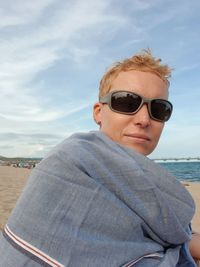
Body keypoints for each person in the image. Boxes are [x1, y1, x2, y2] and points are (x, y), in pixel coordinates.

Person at [0, 50, 199, 266]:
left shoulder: (150, 183)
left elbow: (176, 240)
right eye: (125, 101)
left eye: (159, 109)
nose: (144, 119)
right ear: (98, 112)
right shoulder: (68, 164)